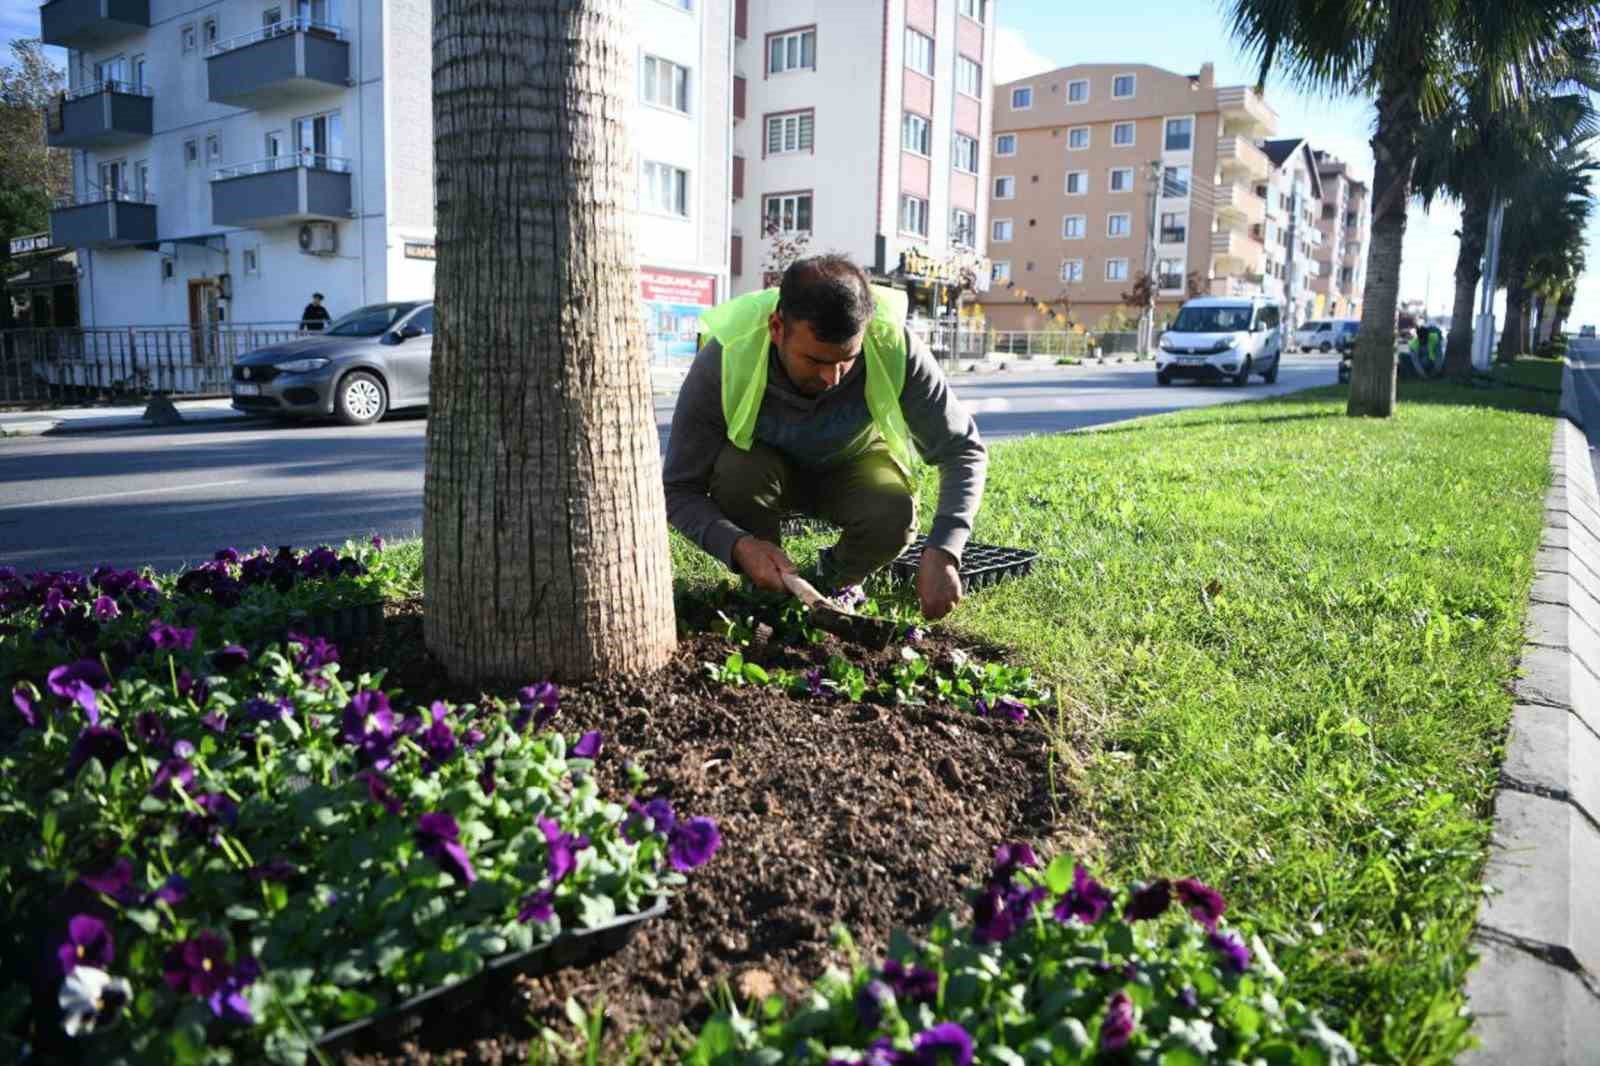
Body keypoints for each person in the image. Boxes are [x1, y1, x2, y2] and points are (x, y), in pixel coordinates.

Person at [663, 255, 987, 620]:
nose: (832, 378)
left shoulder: (892, 344)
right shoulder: (727, 355)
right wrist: (738, 545)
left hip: (853, 465)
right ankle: (766, 589)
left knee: (893, 511)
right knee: (737, 472)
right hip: (761, 472)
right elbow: (678, 488)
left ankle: (830, 586)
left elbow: (962, 450)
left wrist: (944, 549)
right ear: (776, 328)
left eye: (846, 360)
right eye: (815, 360)